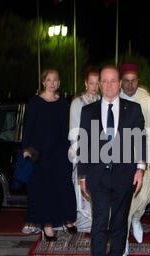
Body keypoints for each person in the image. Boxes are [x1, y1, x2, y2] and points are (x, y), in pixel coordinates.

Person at [77, 65, 146, 256]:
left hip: (124, 176)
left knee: (118, 224)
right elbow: (84, 144)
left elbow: (140, 141)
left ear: (119, 83)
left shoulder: (134, 109)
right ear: (98, 85)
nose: (108, 85)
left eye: (112, 80)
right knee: (99, 224)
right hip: (97, 177)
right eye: (103, 81)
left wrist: (140, 169)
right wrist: (82, 176)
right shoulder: (88, 111)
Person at [21, 69, 77, 241]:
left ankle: (66, 219)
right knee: (44, 190)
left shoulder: (63, 103)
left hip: (60, 151)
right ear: (43, 82)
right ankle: (47, 226)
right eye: (49, 80)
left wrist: (70, 147)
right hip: (41, 153)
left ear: (59, 83)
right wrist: (27, 149)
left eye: (55, 80)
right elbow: (28, 127)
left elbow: (66, 128)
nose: (52, 83)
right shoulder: (35, 102)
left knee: (63, 186)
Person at [119, 63, 150, 256]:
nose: (129, 85)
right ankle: (123, 238)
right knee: (123, 201)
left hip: (145, 159)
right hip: (121, 160)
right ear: (120, 82)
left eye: (133, 80)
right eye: (125, 81)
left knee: (143, 198)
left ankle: (136, 218)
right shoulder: (113, 99)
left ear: (138, 81)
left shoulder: (148, 101)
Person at [69, 67, 100, 232]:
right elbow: (74, 129)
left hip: (101, 151)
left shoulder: (103, 99)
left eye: (97, 83)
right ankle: (84, 223)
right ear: (86, 83)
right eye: (91, 83)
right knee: (83, 185)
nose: (94, 86)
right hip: (83, 148)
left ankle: (98, 221)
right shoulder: (77, 102)